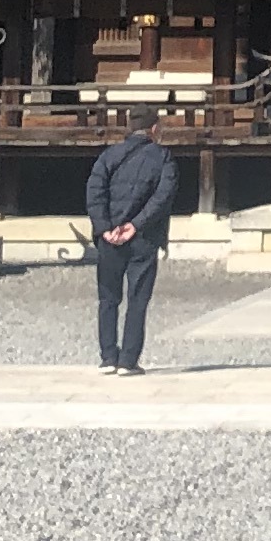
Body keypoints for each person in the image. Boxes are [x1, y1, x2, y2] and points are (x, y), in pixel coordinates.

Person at [85, 111, 177, 370]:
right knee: (137, 300)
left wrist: (104, 227)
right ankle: (128, 360)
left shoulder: (108, 156)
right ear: (154, 128)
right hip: (143, 236)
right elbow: (163, 196)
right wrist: (136, 225)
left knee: (108, 298)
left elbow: (94, 192)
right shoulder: (163, 158)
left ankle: (108, 357)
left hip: (110, 237)